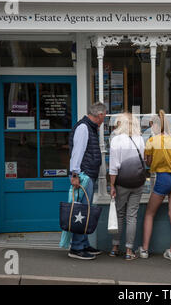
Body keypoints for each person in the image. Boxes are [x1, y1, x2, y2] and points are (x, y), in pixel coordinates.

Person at [136, 110, 171, 261]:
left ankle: (144, 249)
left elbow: (147, 163)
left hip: (162, 178)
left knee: (150, 213)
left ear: (154, 125)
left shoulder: (151, 141)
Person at [66, 102, 107, 260]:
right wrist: (74, 174)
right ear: (100, 115)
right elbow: (77, 152)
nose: (104, 119)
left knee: (84, 211)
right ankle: (76, 248)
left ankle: (83, 243)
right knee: (80, 212)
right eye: (104, 115)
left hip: (87, 174)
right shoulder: (83, 128)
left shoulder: (89, 127)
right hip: (83, 175)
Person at [109, 112, 145, 260]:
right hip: (138, 182)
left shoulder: (116, 140)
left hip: (122, 183)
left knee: (119, 214)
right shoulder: (141, 139)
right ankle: (129, 251)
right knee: (132, 216)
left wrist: (112, 185)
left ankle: (115, 247)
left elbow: (113, 167)